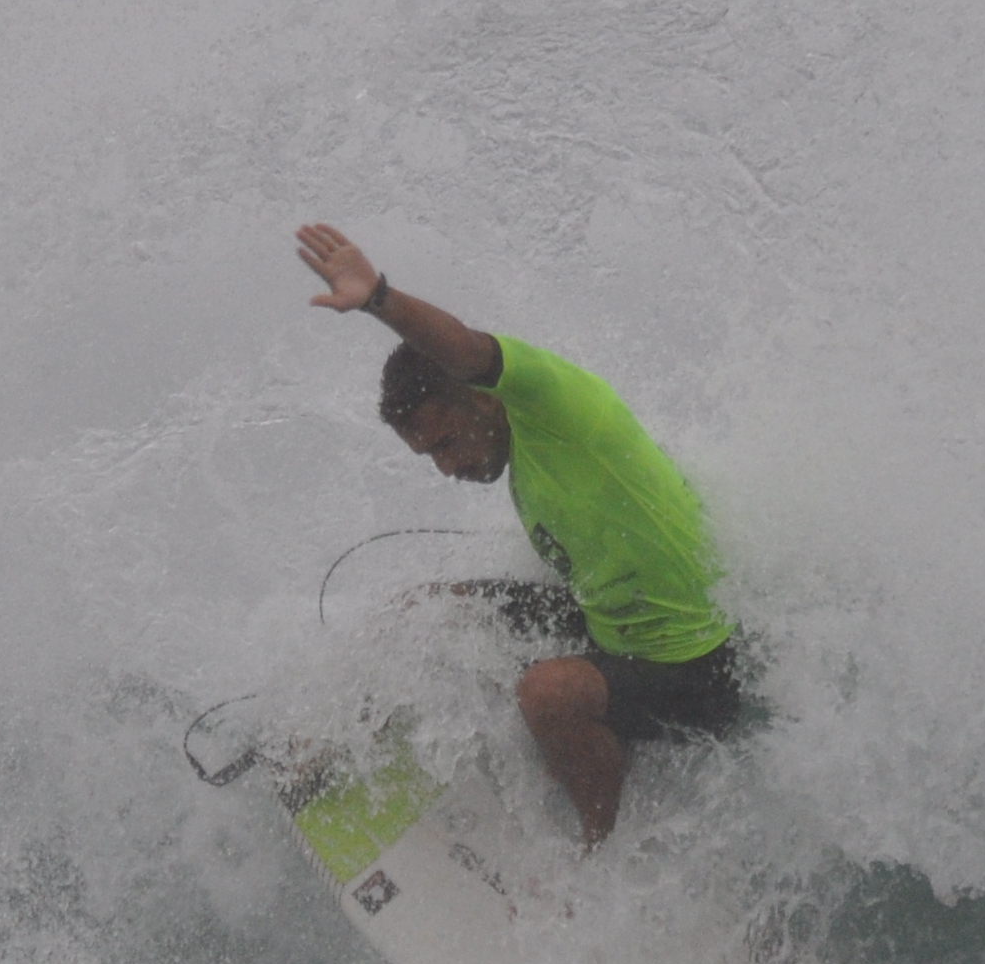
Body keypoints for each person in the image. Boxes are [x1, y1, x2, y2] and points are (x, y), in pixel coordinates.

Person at [294, 220, 744, 844]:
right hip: (612, 634)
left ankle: (598, 851)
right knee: (428, 611)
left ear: (482, 401)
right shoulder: (521, 460)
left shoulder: (553, 406)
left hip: (702, 663)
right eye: (429, 457)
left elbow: (464, 349)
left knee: (548, 694)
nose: (448, 468)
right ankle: (325, 759)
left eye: (446, 443)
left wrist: (379, 300)